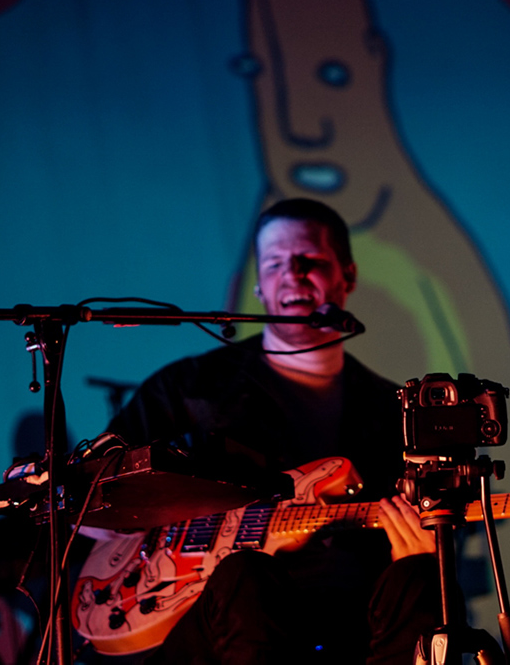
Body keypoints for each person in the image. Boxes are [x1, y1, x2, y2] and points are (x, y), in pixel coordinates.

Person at [102, 198, 441, 664]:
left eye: (311, 261)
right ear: (259, 286)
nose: (294, 274)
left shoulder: (399, 411)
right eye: (276, 262)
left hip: (350, 627)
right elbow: (96, 493)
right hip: (211, 623)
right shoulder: (186, 389)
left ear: (349, 276)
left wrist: (422, 555)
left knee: (423, 582)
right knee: (247, 576)